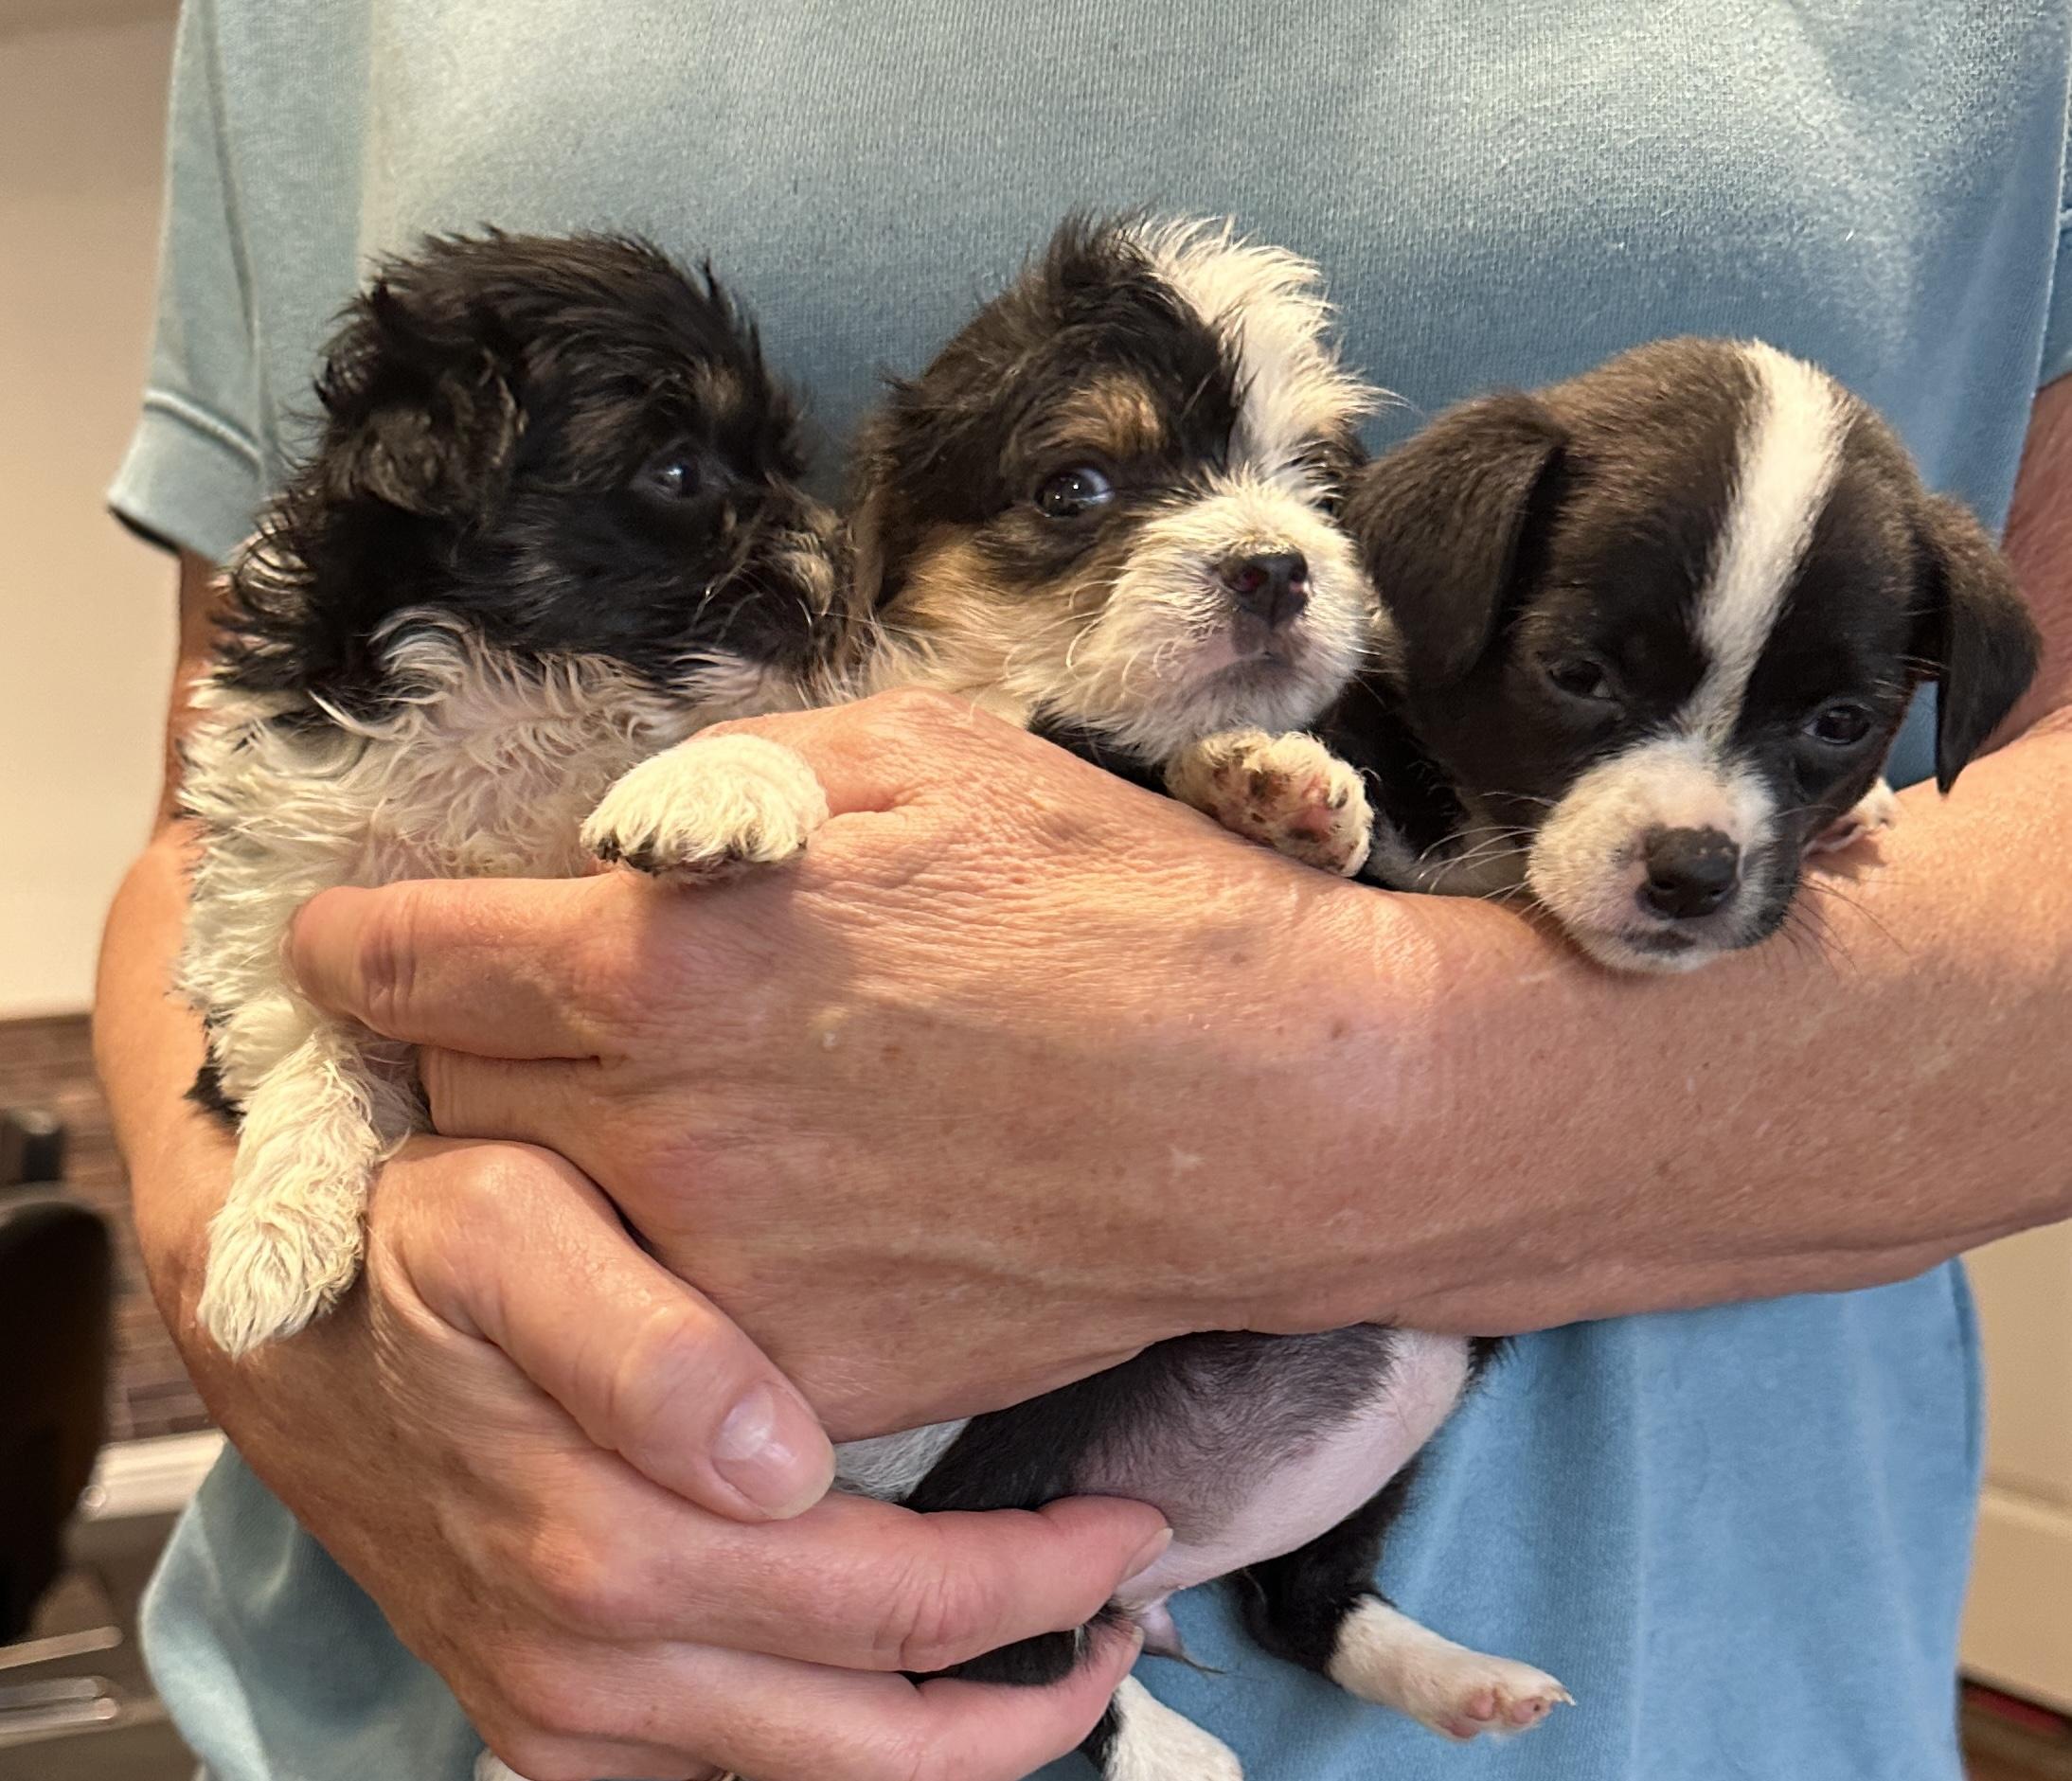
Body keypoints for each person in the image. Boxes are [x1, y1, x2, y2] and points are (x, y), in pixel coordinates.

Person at [95, 4, 2072, 1778]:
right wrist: (304, 1356)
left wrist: (1356, 1094)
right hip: (415, 1693)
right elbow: (243, 781)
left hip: (1678, 1681)